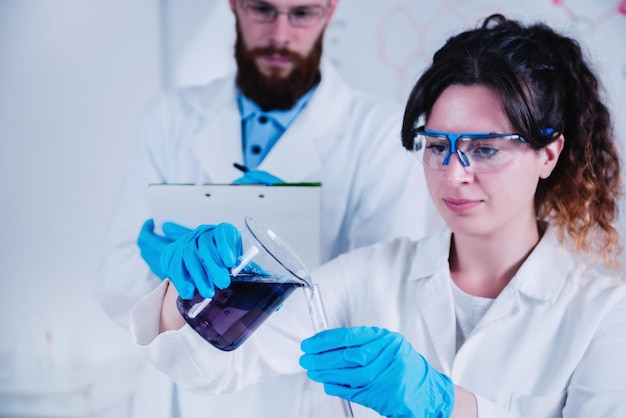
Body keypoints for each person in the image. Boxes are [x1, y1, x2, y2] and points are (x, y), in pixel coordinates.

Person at [128, 13, 626, 418]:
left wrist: (452, 408)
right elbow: (213, 367)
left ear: (548, 153)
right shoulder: (368, 276)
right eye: (437, 146)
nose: (453, 174)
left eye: (485, 149)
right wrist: (189, 290)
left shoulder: (606, 311)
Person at [96, 0, 439, 417]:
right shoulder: (169, 118)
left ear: (330, 11)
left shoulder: (379, 131)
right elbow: (114, 285)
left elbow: (383, 300)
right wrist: (172, 272)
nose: (280, 34)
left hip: (300, 399)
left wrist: (294, 240)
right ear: (234, 5)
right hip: (184, 398)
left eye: (302, 12)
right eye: (262, 9)